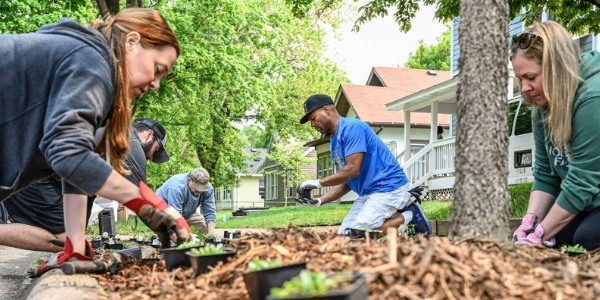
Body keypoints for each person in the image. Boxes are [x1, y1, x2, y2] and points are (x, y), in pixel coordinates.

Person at [0, 8, 191, 276]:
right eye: (158, 69)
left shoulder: (89, 67)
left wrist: (75, 245)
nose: (156, 84)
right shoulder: (91, 62)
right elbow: (68, 155)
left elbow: (74, 167)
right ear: (132, 42)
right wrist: (144, 202)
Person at [0, 118, 170, 252]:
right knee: (67, 241)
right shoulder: (130, 143)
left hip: (27, 161)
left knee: (73, 240)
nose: (151, 159)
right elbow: (141, 199)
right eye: (156, 151)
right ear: (149, 135)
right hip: (30, 167)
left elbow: (85, 190)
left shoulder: (110, 135)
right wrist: (171, 233)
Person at [511, 21, 600, 250]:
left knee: (588, 238)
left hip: (589, 191)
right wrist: (529, 224)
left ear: (556, 68)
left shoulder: (592, 98)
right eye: (521, 79)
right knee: (558, 239)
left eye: (531, 77)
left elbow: (582, 181)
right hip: (590, 199)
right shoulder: (541, 106)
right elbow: (546, 174)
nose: (524, 88)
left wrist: (540, 235)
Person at [295, 94, 432, 236]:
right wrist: (319, 201)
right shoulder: (334, 143)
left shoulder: (353, 128)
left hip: (389, 187)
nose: (312, 124)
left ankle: (409, 216)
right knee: (345, 236)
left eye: (313, 118)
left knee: (360, 232)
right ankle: (397, 222)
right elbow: (347, 180)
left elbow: (352, 170)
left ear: (326, 110)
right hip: (369, 193)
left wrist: (317, 183)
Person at [157, 168, 217, 235]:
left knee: (206, 230)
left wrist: (210, 236)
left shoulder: (208, 188)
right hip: (163, 213)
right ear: (190, 180)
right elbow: (176, 217)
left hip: (187, 212)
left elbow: (210, 212)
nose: (200, 191)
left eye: (202, 188)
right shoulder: (177, 187)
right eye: (198, 187)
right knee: (175, 238)